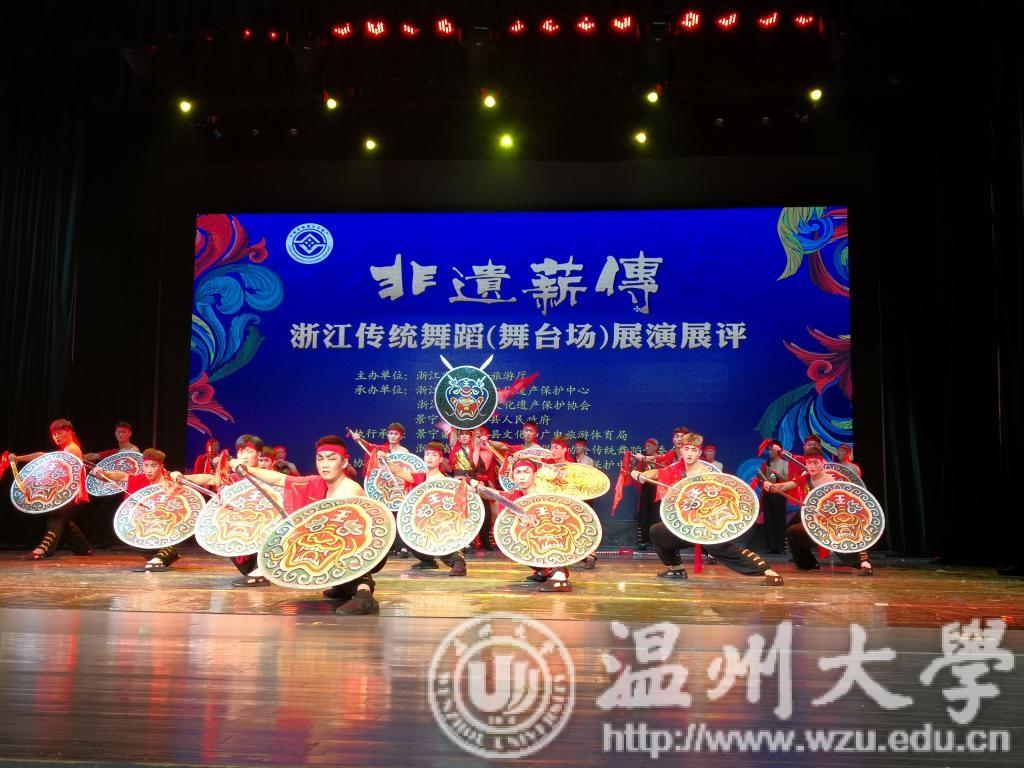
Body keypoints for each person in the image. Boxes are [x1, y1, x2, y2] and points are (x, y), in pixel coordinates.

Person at [229, 436, 384, 614]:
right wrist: (248, 469)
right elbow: (280, 479)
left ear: (344, 463)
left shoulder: (349, 489)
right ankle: (343, 587)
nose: (324, 464)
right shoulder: (317, 482)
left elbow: (345, 535)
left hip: (364, 547)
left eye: (331, 459)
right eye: (320, 459)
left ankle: (365, 596)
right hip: (333, 542)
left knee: (332, 543)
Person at [634, 432, 784, 586]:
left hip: (709, 525)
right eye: (687, 449)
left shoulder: (707, 474)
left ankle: (767, 571)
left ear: (699, 453)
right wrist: (641, 474)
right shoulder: (677, 468)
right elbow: (658, 473)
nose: (689, 453)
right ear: (682, 450)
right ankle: (676, 569)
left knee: (722, 549)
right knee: (658, 531)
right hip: (689, 525)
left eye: (694, 450)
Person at [173, 434, 267, 586]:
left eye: (249, 451)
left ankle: (262, 570)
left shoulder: (267, 476)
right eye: (241, 452)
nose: (244, 456)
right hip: (239, 529)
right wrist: (183, 477)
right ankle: (256, 571)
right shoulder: (233, 478)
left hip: (261, 526)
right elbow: (209, 478)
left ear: (259, 454)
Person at [766, 447, 874, 576]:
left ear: (822, 463)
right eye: (809, 462)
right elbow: (785, 485)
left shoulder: (832, 480)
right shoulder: (805, 477)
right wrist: (771, 486)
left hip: (837, 519)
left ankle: (864, 564)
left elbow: (847, 501)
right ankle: (808, 564)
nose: (812, 466)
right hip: (817, 519)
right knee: (794, 532)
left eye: (815, 462)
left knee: (840, 540)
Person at [471, 458, 572, 593]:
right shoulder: (517, 495)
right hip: (535, 541)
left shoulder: (545, 494)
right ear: (513, 476)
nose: (522, 476)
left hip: (557, 539)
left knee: (546, 532)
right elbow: (497, 495)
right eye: (518, 472)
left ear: (535, 475)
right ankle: (546, 570)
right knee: (517, 543)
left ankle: (560, 576)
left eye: (526, 472)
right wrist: (478, 487)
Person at [10, 419, 93, 560]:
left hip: (73, 494)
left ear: (69, 432)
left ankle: (43, 549)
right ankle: (84, 548)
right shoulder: (66, 450)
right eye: (54, 434)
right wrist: (18, 458)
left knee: (56, 519)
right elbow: (43, 456)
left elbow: (45, 458)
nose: (56, 437)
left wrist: (19, 458)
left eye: (59, 433)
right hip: (69, 492)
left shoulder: (72, 449)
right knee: (63, 520)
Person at [384, 441, 468, 577]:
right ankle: (428, 561)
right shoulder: (421, 477)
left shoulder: (444, 481)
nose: (429, 457)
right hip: (424, 520)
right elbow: (398, 471)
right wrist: (384, 459)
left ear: (440, 459)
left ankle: (458, 563)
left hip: (442, 521)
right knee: (410, 535)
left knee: (441, 537)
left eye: (434, 455)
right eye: (427, 454)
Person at [92, 448, 182, 571]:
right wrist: (104, 473)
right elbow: (121, 476)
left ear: (161, 467)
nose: (149, 470)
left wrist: (178, 475)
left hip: (165, 523)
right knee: (130, 537)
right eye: (146, 465)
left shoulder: (169, 481)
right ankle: (164, 556)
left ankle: (165, 555)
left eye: (153, 466)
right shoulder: (138, 480)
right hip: (143, 524)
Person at [751, 439, 796, 555]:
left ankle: (780, 546)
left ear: (778, 450)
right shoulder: (765, 464)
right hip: (768, 494)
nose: (770, 452)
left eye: (772, 449)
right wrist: (759, 479)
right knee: (769, 520)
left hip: (779, 494)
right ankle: (770, 546)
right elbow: (762, 479)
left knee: (779, 520)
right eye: (769, 449)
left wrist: (775, 472)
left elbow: (788, 480)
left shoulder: (785, 463)